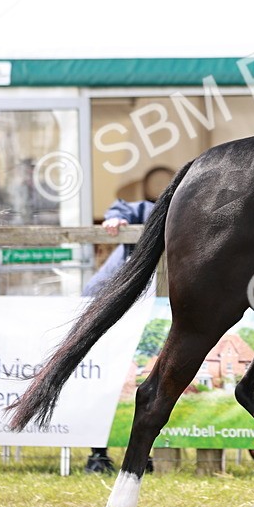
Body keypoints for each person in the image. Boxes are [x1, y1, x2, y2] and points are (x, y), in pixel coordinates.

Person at [82, 167, 172, 474]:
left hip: (148, 315)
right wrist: (115, 219)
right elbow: (121, 205)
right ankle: (98, 454)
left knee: (140, 383)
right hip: (107, 302)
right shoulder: (148, 210)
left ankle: (139, 455)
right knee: (105, 381)